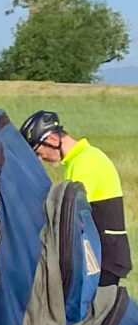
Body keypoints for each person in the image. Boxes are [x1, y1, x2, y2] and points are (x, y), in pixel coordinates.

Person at [20, 109, 130, 283]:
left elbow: (71, 216)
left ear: (53, 139)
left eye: (39, 152)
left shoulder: (85, 161)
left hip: (103, 260)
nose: (40, 160)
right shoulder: (77, 160)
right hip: (100, 256)